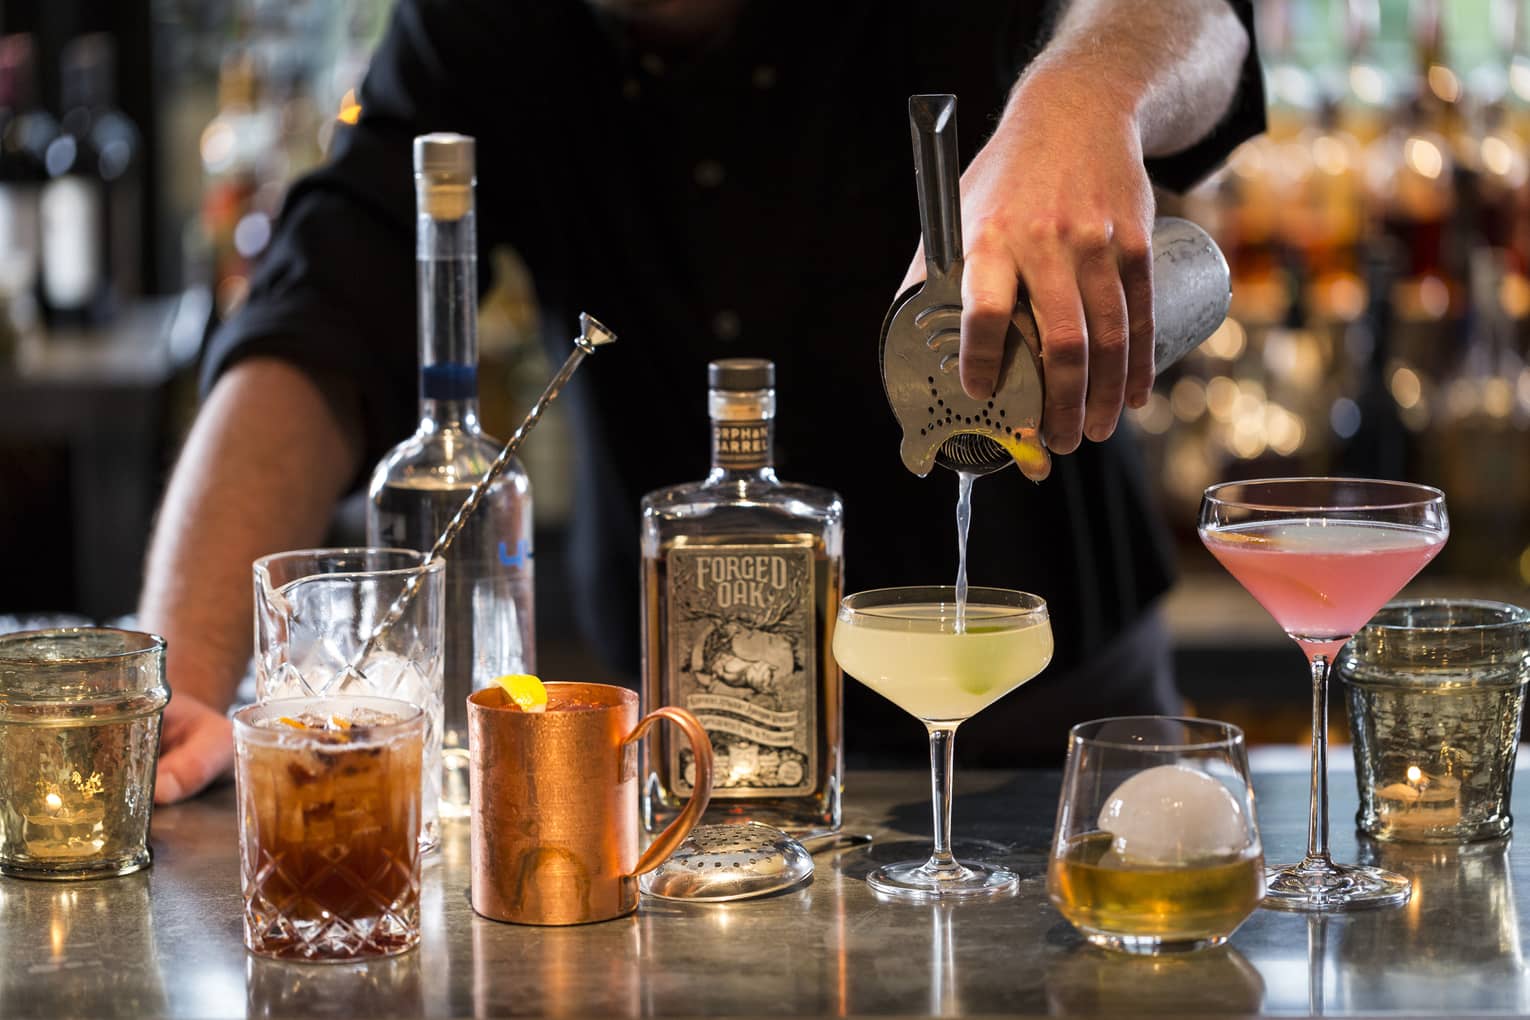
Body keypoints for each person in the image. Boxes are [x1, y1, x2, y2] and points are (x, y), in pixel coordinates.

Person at [142, 0, 1263, 802]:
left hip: (1039, 701)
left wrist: (1087, 91)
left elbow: (1204, 21)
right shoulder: (485, 29)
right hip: (691, 747)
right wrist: (178, 692)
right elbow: (322, 318)